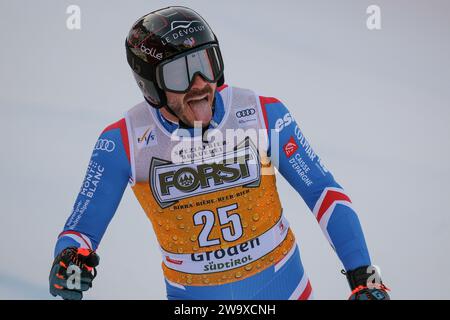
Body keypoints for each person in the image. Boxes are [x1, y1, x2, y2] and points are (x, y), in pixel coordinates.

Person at [49, 6, 390, 300]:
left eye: (206, 63)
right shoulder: (124, 140)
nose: (200, 83)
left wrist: (363, 275)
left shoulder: (262, 113)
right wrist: (69, 260)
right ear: (150, 83)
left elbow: (322, 192)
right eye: (180, 73)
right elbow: (81, 231)